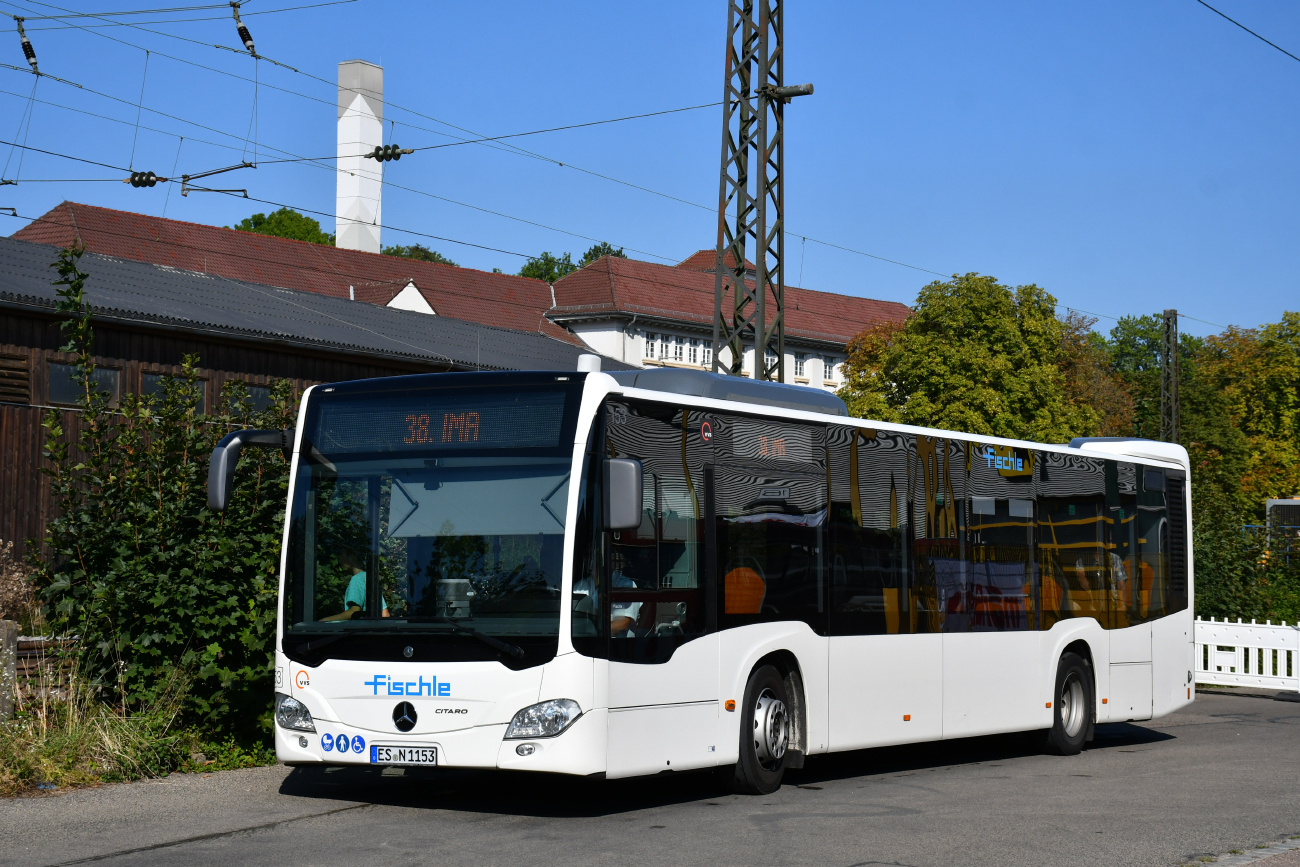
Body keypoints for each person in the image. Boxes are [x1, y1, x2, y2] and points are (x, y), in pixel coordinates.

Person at [321, 547, 389, 621]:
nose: (340, 561)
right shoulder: (370, 579)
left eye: (342, 557)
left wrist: (324, 621)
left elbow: (354, 612)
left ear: (351, 558)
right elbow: (385, 614)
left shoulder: (356, 579)